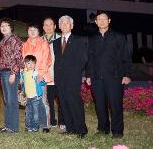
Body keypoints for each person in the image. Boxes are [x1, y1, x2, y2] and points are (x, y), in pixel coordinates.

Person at [86, 11, 132, 139]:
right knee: (100, 105)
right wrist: (88, 75)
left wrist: (127, 74)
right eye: (99, 19)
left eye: (104, 19)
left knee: (115, 105)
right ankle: (103, 129)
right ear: (95, 22)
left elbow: (126, 57)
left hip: (115, 77)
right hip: (96, 78)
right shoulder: (93, 38)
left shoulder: (118, 37)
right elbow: (90, 58)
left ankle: (117, 131)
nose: (101, 21)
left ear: (109, 21)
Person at [53, 15, 88, 138]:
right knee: (63, 103)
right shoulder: (56, 42)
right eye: (61, 23)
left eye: (67, 23)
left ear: (72, 26)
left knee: (75, 103)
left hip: (73, 77)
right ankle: (70, 128)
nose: (64, 25)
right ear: (59, 26)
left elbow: (83, 59)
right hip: (59, 78)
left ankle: (81, 130)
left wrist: (78, 74)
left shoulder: (80, 40)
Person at [22, 23, 52, 132]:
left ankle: (45, 125)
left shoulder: (43, 43)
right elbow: (24, 61)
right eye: (30, 30)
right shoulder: (25, 45)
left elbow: (46, 59)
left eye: (35, 30)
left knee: (42, 102)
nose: (32, 32)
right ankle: (33, 124)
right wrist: (24, 74)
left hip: (40, 76)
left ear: (39, 32)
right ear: (28, 32)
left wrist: (40, 73)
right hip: (29, 78)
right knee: (30, 103)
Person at [0, 18, 24, 133]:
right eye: (2, 26)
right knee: (6, 100)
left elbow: (18, 58)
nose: (4, 28)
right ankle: (8, 126)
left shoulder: (15, 39)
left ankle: (13, 127)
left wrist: (14, 73)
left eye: (6, 25)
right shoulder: (3, 41)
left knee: (12, 100)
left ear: (11, 27)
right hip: (3, 72)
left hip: (11, 72)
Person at [42, 17, 64, 130]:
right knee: (49, 100)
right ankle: (51, 120)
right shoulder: (40, 40)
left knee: (61, 99)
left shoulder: (61, 39)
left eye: (51, 25)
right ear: (43, 27)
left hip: (59, 75)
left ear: (55, 26)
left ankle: (62, 121)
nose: (48, 27)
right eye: (46, 25)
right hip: (46, 76)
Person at [21, 55, 48, 132]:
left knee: (36, 114)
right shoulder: (23, 73)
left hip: (35, 97)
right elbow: (23, 84)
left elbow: (42, 83)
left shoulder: (35, 73)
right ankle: (28, 126)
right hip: (27, 97)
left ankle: (35, 127)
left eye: (33, 63)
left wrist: (42, 80)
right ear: (25, 64)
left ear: (35, 64)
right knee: (28, 113)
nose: (31, 65)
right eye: (29, 63)